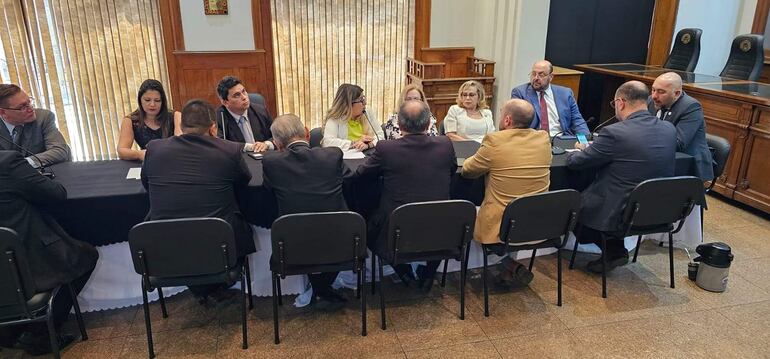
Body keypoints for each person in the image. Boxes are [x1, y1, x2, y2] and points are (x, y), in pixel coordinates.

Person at [141, 99, 257, 302]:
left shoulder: (154, 149)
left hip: (165, 250)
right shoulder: (229, 150)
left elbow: (146, 184)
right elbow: (244, 182)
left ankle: (204, 289)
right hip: (219, 249)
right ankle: (213, 286)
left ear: (182, 127)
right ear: (213, 128)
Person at [567, 81, 676, 273]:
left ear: (621, 102)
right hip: (658, 207)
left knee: (571, 205)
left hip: (619, 209)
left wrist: (575, 152)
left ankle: (613, 249)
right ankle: (614, 249)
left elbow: (577, 163)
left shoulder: (615, 132)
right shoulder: (669, 129)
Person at [0, 150, 98, 356]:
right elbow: (56, 193)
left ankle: (8, 331)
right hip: (24, 256)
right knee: (86, 256)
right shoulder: (7, 162)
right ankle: (42, 334)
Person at [355, 100, 457, 292]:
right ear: (428, 124)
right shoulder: (445, 144)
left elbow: (360, 175)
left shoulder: (386, 149)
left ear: (399, 125)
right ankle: (428, 273)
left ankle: (402, 270)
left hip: (395, 230)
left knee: (368, 220)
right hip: (440, 229)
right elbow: (452, 171)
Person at [262, 114, 352, 311]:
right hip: (340, 242)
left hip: (292, 245)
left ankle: (320, 287)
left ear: (277, 143)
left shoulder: (271, 163)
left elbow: (268, 193)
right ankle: (323, 287)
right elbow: (350, 181)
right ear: (306, 132)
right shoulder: (332, 155)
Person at [461, 99, 551, 287]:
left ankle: (506, 264)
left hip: (502, 227)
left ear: (508, 120)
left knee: (473, 219)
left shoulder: (495, 140)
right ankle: (509, 267)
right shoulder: (543, 138)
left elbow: (468, 170)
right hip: (538, 222)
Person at [649, 72, 714, 181]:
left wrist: (642, 141)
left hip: (687, 164)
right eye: (653, 90)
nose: (654, 96)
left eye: (661, 92)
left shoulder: (691, 107)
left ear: (677, 94)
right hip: (662, 158)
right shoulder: (652, 100)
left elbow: (678, 143)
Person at [511, 60, 589, 136]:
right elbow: (517, 125)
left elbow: (577, 121)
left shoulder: (565, 93)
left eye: (541, 75)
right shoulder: (520, 93)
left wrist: (585, 141)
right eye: (533, 74)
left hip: (561, 139)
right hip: (534, 141)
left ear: (551, 77)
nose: (536, 78)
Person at [0, 84, 70, 167]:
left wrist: (23, 164)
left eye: (29, 102)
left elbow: (59, 151)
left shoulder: (43, 117)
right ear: (2, 112)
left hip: (45, 172)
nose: (30, 109)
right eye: (22, 107)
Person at [117, 79, 182, 161]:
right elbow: (122, 151)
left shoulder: (176, 116)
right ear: (140, 100)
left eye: (157, 100)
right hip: (146, 163)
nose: (152, 104)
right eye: (147, 100)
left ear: (163, 102)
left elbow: (180, 146)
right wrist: (140, 154)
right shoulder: (130, 120)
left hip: (172, 161)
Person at [216, 76, 275, 152]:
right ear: (225, 102)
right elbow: (220, 145)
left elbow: (277, 136)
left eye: (244, 91)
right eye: (237, 95)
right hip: (237, 161)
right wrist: (248, 147)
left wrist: (266, 144)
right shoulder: (219, 118)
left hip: (263, 157)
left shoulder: (261, 111)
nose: (244, 97)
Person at [322, 83, 384, 150]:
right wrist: (355, 143)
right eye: (361, 100)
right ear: (348, 104)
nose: (365, 103)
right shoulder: (335, 117)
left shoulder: (368, 112)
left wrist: (369, 145)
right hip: (347, 157)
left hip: (368, 153)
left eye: (364, 98)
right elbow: (327, 142)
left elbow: (380, 136)